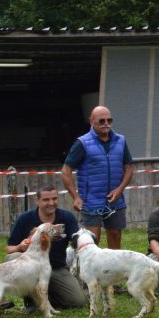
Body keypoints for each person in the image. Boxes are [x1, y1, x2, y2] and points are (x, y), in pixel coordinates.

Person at [61, 105, 134, 249]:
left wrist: (120, 189)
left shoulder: (121, 140)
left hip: (115, 200)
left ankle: (113, 270)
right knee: (91, 243)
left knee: (115, 237)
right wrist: (76, 196)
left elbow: (129, 167)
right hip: (91, 200)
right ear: (91, 121)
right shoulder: (82, 143)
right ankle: (89, 271)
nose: (106, 124)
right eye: (101, 121)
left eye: (109, 120)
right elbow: (66, 170)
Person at [5, 185, 85, 310]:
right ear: (37, 201)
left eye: (54, 199)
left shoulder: (67, 217)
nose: (51, 203)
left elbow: (78, 241)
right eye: (46, 200)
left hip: (56, 268)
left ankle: (45, 297)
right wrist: (19, 247)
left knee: (78, 301)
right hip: (33, 267)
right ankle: (30, 299)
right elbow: (9, 249)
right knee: (13, 257)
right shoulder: (25, 218)